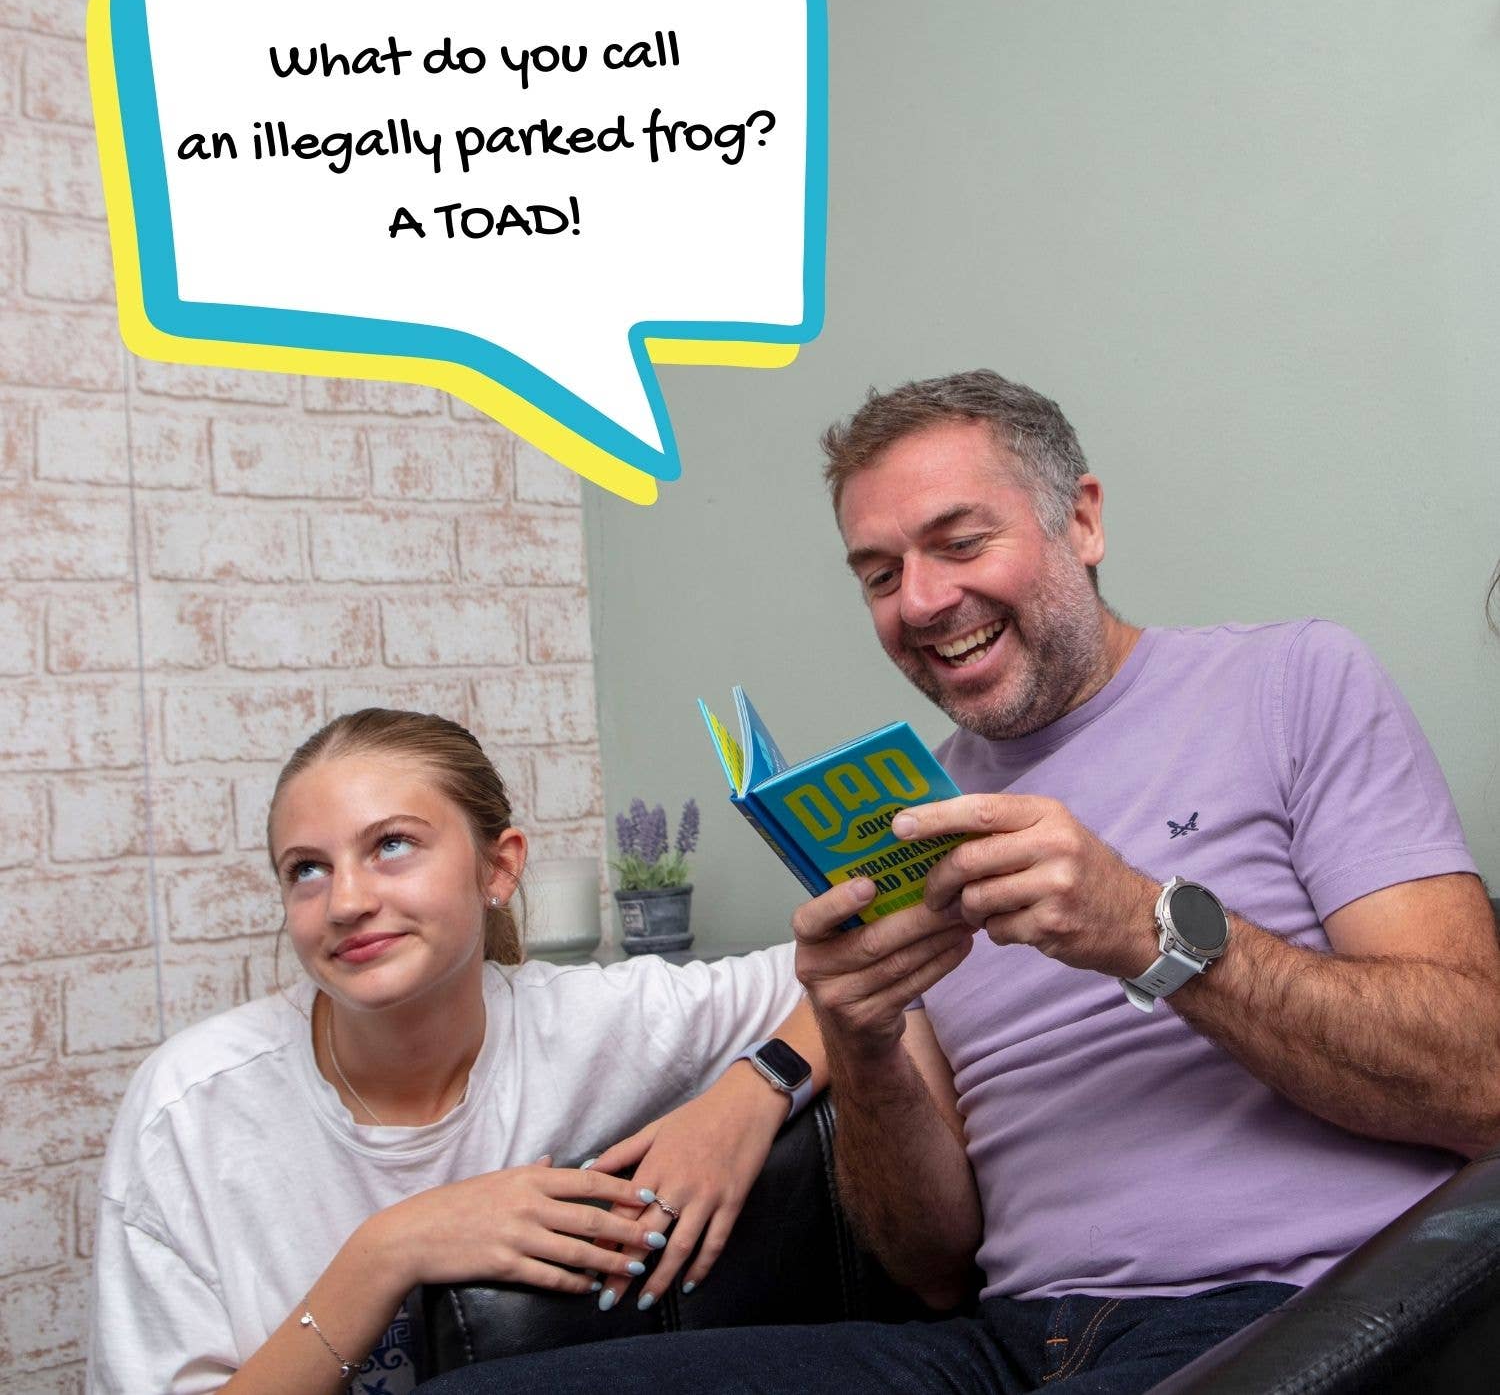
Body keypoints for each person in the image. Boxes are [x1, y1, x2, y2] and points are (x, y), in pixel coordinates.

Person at [435, 371, 1495, 1394]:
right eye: (880, 574)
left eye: (960, 542)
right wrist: (859, 1044)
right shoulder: (904, 819)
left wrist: (1146, 928)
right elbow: (933, 1264)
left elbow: (1478, 1084)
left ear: (1082, 521)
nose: (924, 600)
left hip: (1291, 1313)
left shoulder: (1292, 682)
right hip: (1012, 1343)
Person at [87, 708, 823, 1395]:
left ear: (498, 868)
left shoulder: (585, 1021)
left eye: (391, 845)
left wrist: (751, 1093)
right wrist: (390, 1251)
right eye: (307, 868)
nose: (345, 902)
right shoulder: (189, 1110)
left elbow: (855, 967)